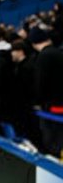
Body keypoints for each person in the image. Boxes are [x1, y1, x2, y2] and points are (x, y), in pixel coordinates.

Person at [31, 26, 63, 157]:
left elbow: (40, 83)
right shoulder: (59, 52)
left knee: (54, 139)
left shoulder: (44, 56)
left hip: (53, 106)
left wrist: (37, 101)